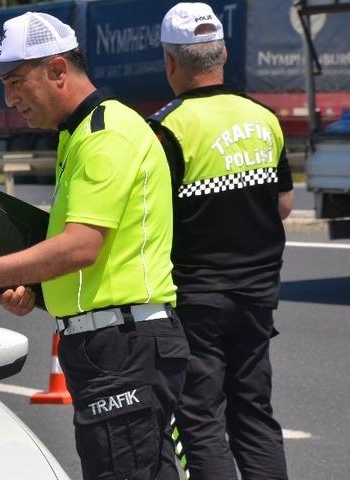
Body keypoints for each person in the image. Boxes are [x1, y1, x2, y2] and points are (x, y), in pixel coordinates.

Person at [0, 12, 188, 480]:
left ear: (58, 70)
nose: (9, 99)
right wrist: (36, 290)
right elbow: (96, 256)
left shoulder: (105, 135)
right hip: (111, 342)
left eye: (16, 81)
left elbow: (80, 247)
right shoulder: (79, 133)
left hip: (122, 346)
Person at [148, 3, 293, 479]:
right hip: (258, 293)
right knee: (253, 413)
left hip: (196, 297)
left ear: (171, 62)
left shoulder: (166, 127)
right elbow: (284, 204)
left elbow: (151, 216)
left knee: (201, 419)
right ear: (223, 54)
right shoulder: (263, 117)